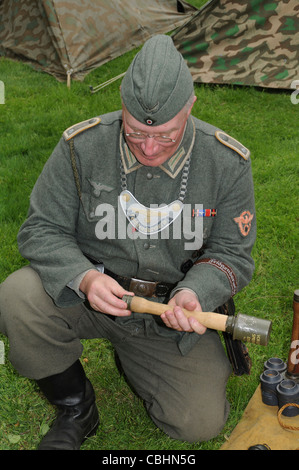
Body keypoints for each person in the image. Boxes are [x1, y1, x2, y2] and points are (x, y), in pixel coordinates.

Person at [0, 35, 256, 450]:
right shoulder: (80, 148)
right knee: (18, 296)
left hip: (171, 313)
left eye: (166, 137)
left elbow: (233, 255)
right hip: (88, 299)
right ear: (122, 104)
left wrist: (196, 291)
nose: (149, 148)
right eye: (135, 134)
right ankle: (76, 408)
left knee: (198, 424)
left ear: (190, 107)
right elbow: (40, 230)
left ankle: (138, 356)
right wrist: (82, 278)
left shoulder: (225, 162)